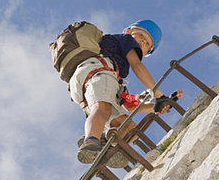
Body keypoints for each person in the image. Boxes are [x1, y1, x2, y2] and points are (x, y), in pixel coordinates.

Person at [68, 19, 183, 167]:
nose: (142, 42)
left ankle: (104, 141)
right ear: (129, 32)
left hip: (83, 84)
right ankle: (91, 141)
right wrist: (159, 95)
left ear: (147, 52)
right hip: (97, 70)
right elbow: (137, 65)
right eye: (141, 36)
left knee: (131, 130)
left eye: (147, 44)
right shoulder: (125, 40)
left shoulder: (117, 75)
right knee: (102, 108)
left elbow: (128, 105)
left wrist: (155, 107)